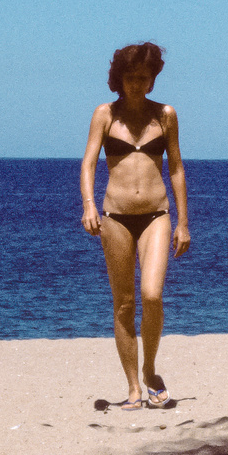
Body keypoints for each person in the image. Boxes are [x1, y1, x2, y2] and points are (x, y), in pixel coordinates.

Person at [80, 42, 190, 409]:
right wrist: (89, 206)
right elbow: (88, 164)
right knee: (124, 304)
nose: (136, 85)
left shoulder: (166, 115)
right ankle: (133, 389)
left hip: (157, 215)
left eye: (143, 78)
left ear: (153, 80)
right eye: (129, 78)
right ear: (119, 79)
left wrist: (183, 222)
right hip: (114, 217)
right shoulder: (105, 115)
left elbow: (175, 168)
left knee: (152, 295)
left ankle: (150, 368)